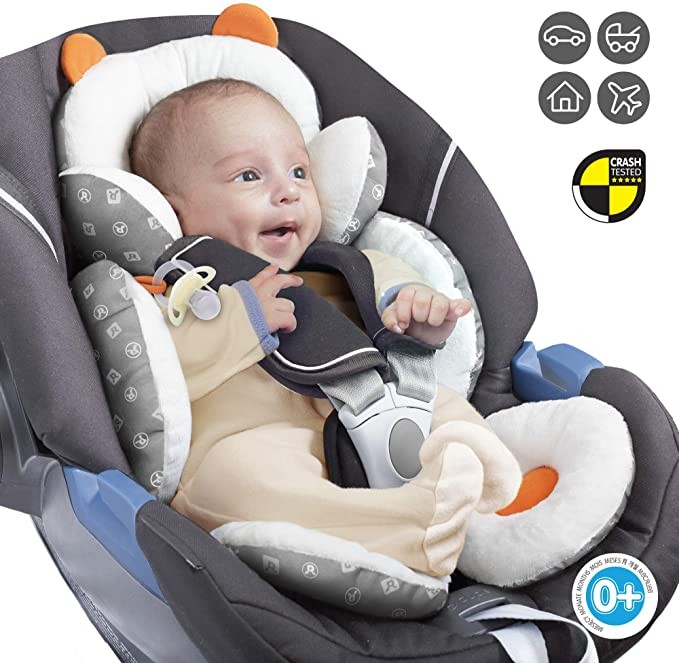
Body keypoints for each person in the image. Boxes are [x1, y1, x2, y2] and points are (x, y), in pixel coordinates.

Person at [129, 78, 521, 577]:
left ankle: (497, 505)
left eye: (299, 171)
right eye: (249, 175)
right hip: (264, 443)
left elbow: (391, 289)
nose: (288, 191)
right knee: (228, 483)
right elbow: (158, 375)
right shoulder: (178, 293)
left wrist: (414, 313)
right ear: (175, 209)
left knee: (444, 406)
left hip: (382, 416)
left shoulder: (341, 267)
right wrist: (237, 321)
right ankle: (408, 536)